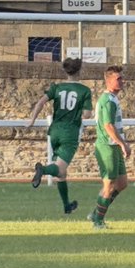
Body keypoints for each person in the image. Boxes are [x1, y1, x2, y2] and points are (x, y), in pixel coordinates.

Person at [28, 57, 93, 214]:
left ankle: (67, 206)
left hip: (54, 131)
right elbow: (87, 114)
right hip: (69, 133)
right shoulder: (84, 91)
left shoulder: (56, 88)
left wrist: (32, 120)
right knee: (58, 168)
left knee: (62, 173)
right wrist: (82, 112)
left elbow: (41, 103)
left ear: (66, 71)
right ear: (80, 71)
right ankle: (42, 170)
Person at [87, 65, 130, 229]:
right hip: (107, 146)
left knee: (122, 183)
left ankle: (96, 213)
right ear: (109, 80)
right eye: (118, 79)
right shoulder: (107, 100)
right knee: (109, 185)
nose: (122, 81)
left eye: (122, 78)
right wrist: (122, 144)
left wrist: (121, 144)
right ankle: (98, 221)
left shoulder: (113, 98)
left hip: (114, 146)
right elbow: (108, 126)